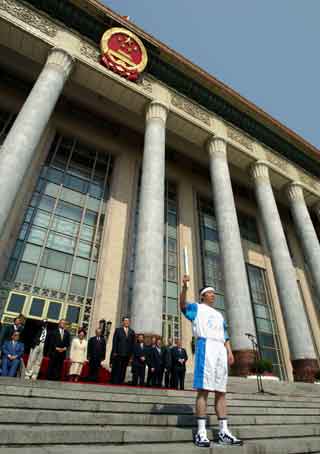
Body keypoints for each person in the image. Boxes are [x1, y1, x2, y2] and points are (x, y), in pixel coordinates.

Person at [180, 275, 243, 447]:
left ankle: (224, 432)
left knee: (221, 391)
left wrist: (229, 351)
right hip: (205, 345)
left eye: (214, 293)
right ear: (203, 296)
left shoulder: (219, 314)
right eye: (210, 293)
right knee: (204, 390)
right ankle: (201, 432)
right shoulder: (197, 308)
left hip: (220, 350)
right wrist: (185, 287)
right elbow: (182, 305)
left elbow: (225, 335)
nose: (213, 295)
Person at [110, 317, 135, 385]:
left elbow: (133, 344)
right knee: (117, 367)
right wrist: (114, 351)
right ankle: (115, 381)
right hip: (118, 353)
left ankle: (121, 381)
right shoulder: (118, 330)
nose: (127, 322)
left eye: (128, 321)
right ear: (123, 322)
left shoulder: (132, 332)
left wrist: (131, 355)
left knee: (124, 368)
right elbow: (115, 342)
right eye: (125, 321)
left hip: (127, 354)